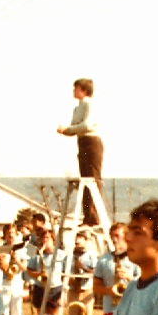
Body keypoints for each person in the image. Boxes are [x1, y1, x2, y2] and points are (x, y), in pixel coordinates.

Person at [57, 78, 104, 227]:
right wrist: (66, 131)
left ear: (83, 90)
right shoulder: (77, 108)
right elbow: (75, 127)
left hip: (92, 142)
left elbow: (87, 125)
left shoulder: (90, 104)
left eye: (75, 88)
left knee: (92, 179)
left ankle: (94, 216)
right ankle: (87, 216)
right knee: (85, 179)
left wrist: (69, 129)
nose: (73, 91)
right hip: (82, 142)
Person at [26, 228, 67, 315]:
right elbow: (29, 271)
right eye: (43, 239)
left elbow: (66, 271)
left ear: (53, 240)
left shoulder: (61, 255)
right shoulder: (38, 255)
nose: (45, 241)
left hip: (55, 288)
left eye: (48, 238)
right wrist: (39, 274)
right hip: (40, 288)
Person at [93, 223, 140, 315]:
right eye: (112, 236)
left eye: (117, 236)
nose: (114, 239)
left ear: (126, 236)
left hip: (132, 309)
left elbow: (145, 284)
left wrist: (129, 277)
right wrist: (111, 291)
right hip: (110, 309)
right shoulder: (103, 260)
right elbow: (95, 287)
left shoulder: (136, 258)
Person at [0, 224, 28, 315]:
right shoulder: (0, 248)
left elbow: (25, 267)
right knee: (4, 314)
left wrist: (16, 260)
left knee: (16, 314)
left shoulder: (22, 248)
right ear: (4, 234)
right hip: (4, 282)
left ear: (16, 234)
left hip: (16, 282)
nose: (10, 235)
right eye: (8, 233)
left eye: (13, 233)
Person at [65, 230, 97, 315]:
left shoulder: (91, 255)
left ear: (85, 240)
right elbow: (64, 272)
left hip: (86, 290)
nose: (77, 240)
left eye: (80, 238)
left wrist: (82, 267)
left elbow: (95, 272)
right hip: (73, 291)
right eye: (76, 237)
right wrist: (70, 280)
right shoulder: (69, 256)